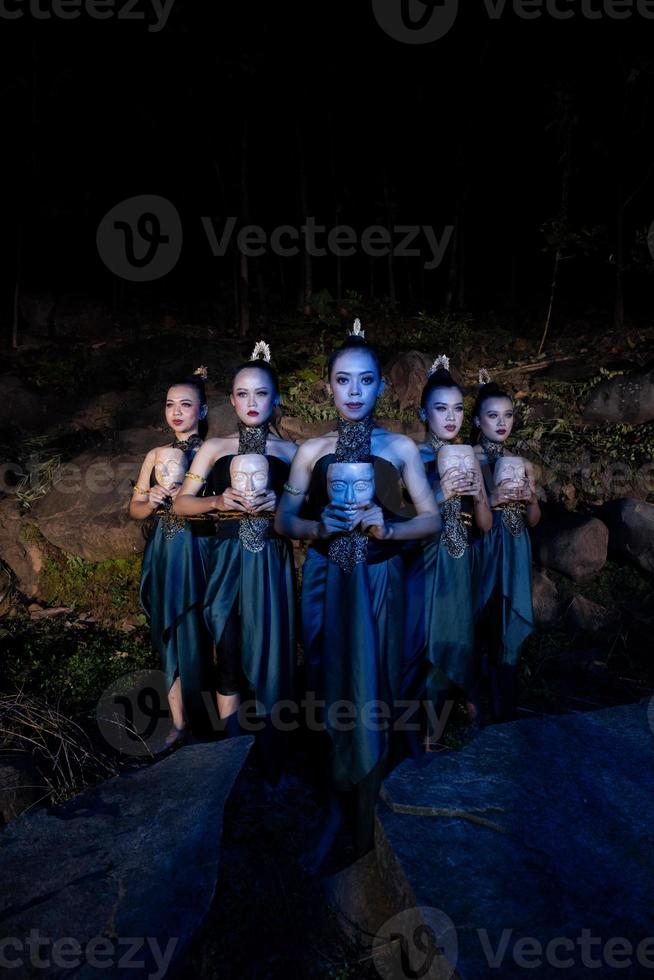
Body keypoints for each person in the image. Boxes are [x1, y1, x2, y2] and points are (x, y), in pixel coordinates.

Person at [275, 322, 440, 861]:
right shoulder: (311, 451)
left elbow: (432, 520)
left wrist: (388, 528)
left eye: (364, 381)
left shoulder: (401, 448)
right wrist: (318, 527)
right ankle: (335, 797)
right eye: (342, 380)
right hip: (327, 581)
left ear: (380, 388)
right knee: (327, 680)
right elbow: (283, 521)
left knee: (377, 682)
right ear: (327, 385)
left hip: (380, 579)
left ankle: (375, 797)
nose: (353, 392)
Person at [173, 342, 297, 780]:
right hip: (226, 561)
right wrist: (218, 501)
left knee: (270, 654)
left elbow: (306, 520)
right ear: (231, 399)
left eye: (261, 393)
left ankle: (269, 758)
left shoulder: (292, 453)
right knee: (227, 653)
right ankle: (228, 760)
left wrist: (278, 506)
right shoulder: (214, 448)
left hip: (271, 564)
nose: (251, 402)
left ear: (275, 399)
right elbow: (181, 506)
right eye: (242, 394)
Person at [404, 355, 492, 749]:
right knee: (425, 640)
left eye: (458, 408)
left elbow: (486, 525)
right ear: (424, 412)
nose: (451, 417)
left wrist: (478, 497)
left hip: (463, 559)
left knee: (464, 632)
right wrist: (440, 492)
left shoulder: (471, 455)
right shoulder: (410, 456)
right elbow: (401, 521)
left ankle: (481, 737)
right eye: (441, 409)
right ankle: (426, 737)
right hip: (424, 561)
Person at [129, 367, 215, 745]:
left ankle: (208, 719)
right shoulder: (155, 454)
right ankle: (179, 722)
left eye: (186, 404)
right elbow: (134, 509)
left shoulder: (214, 452)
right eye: (170, 405)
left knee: (202, 628)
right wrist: (149, 500)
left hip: (200, 545)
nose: (177, 411)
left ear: (203, 409)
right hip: (165, 546)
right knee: (170, 629)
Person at [470, 370, 541, 720]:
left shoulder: (521, 461)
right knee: (483, 612)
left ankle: (506, 703)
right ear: (477, 420)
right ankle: (475, 699)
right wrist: (492, 498)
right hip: (484, 544)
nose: (502, 423)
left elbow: (534, 519)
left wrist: (530, 499)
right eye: (493, 416)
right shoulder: (467, 457)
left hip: (516, 545)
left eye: (508, 415)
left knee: (509, 621)